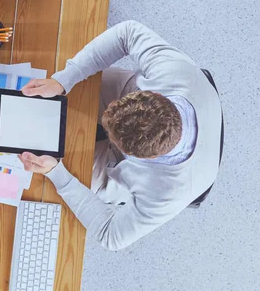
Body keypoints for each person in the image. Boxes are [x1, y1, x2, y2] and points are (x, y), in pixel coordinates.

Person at [19, 20, 222, 251]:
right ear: (153, 92)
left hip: (130, 168)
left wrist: (56, 173)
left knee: (46, 177)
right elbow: (127, 32)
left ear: (140, 158)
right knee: (67, 82)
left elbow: (111, 235)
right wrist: (64, 80)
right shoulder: (171, 71)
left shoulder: (167, 193)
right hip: (134, 104)